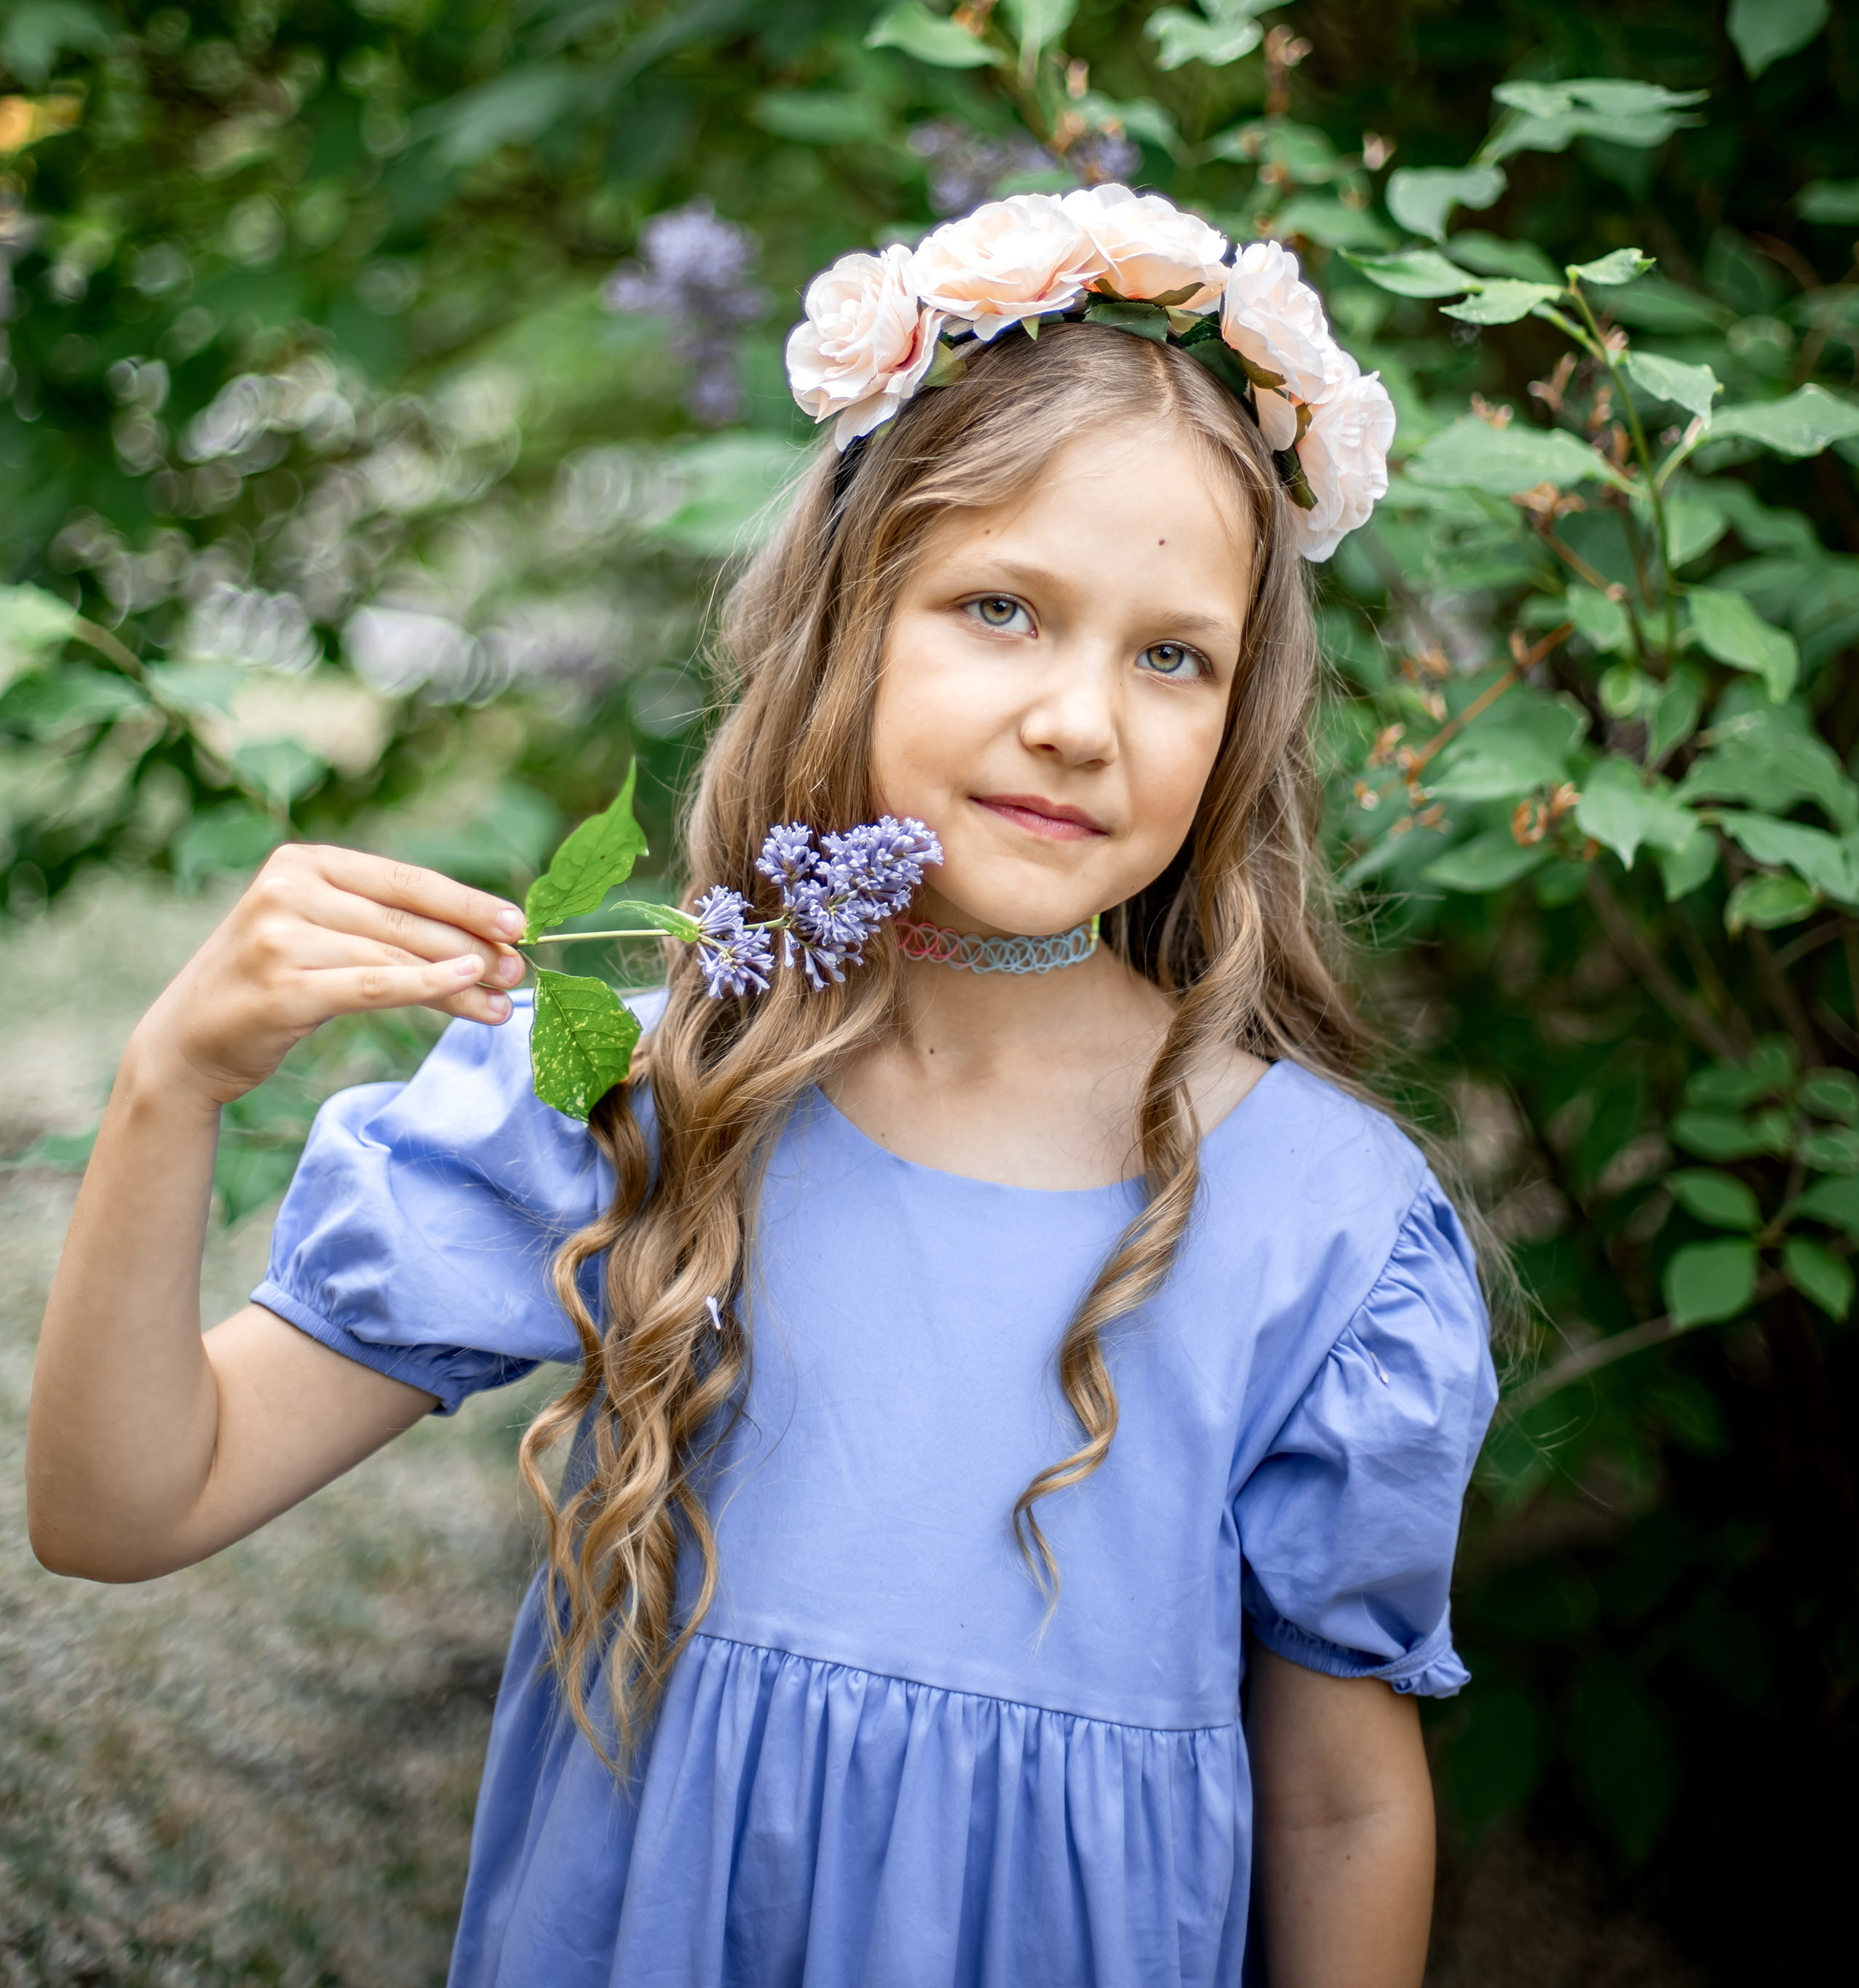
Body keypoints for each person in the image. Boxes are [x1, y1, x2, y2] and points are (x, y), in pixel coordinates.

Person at [28, 188, 1497, 1988]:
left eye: (1169, 654)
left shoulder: (1314, 1221)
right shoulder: (646, 1092)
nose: (1079, 718)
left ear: (1238, 717)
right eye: (1000, 608)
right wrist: (174, 1081)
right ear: (845, 617)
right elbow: (119, 1507)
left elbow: (1342, 1811)